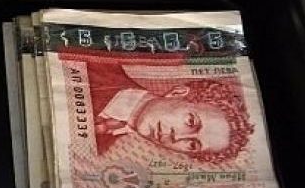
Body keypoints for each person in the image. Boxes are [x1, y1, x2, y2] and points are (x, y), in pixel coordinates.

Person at [87, 60, 254, 163]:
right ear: (177, 93)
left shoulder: (97, 151)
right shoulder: (97, 65)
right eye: (191, 122)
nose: (177, 138)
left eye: (193, 145)